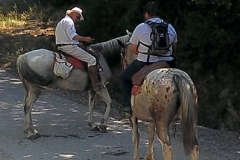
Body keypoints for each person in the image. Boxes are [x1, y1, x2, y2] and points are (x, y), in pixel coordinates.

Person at [120, 2, 178, 117]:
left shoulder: (141, 27)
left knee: (124, 78)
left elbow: (133, 49)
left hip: (145, 61)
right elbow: (175, 47)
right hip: (168, 62)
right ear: (158, 14)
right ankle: (179, 108)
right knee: (178, 82)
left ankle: (127, 107)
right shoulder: (170, 27)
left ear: (146, 14)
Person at [55, 6, 103, 92]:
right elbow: (73, 36)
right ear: (73, 13)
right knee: (92, 60)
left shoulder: (62, 21)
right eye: (78, 17)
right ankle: (95, 84)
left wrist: (78, 43)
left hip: (63, 46)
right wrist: (85, 39)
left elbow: (68, 37)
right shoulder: (69, 22)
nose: (77, 20)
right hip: (69, 47)